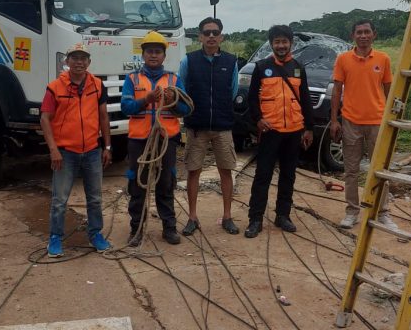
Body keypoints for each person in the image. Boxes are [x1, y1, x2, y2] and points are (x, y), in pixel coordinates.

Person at [40, 43, 113, 257]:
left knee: (95, 198)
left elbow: (103, 117)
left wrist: (107, 146)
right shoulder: (55, 87)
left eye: (83, 58)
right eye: (74, 58)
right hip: (65, 153)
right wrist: (53, 150)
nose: (79, 62)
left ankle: (95, 234)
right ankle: (55, 238)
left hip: (92, 150)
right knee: (60, 200)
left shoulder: (97, 85)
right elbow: (44, 119)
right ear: (67, 61)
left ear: (89, 62)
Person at [121, 30, 192, 246]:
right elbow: (126, 107)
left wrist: (171, 101)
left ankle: (169, 228)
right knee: (137, 185)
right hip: (139, 141)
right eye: (150, 51)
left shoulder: (173, 79)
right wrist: (146, 99)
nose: (153, 55)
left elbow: (185, 109)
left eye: (157, 52)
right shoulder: (132, 79)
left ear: (164, 56)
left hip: (166, 140)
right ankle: (136, 229)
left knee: (165, 183)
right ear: (143, 54)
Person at [244, 25, 314, 238]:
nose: (281, 45)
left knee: (288, 175)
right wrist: (258, 119)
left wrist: (309, 128)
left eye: (284, 41)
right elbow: (252, 99)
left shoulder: (298, 68)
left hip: (294, 131)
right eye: (277, 42)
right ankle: (255, 219)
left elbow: (305, 99)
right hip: (270, 130)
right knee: (262, 176)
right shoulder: (261, 67)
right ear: (271, 44)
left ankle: (283, 216)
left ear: (290, 43)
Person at [330, 19, 399, 230]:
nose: (363, 36)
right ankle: (352, 212)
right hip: (351, 122)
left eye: (366, 32)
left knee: (380, 170)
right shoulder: (343, 59)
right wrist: (334, 120)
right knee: (351, 170)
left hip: (377, 122)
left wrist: (391, 118)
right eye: (359, 32)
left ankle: (382, 212)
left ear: (373, 34)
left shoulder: (383, 59)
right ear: (353, 36)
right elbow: (337, 90)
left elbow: (389, 89)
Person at [179, 17, 240, 236]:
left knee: (226, 171)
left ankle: (227, 216)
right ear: (200, 37)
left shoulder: (231, 62)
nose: (211, 36)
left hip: (223, 126)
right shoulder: (189, 61)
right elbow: (182, 91)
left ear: (221, 36)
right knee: (193, 171)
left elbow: (233, 90)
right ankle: (192, 217)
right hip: (197, 127)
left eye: (215, 32)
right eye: (207, 33)